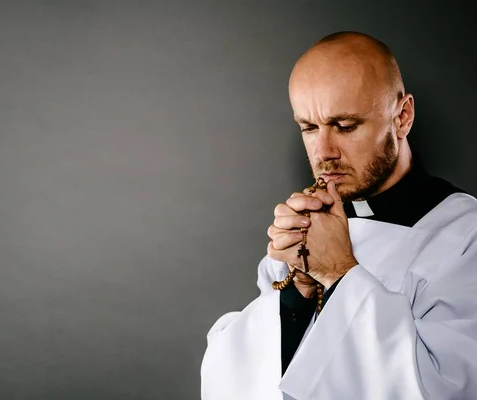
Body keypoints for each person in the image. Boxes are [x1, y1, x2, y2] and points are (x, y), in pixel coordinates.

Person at [200, 31, 477, 400]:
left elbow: (449, 388)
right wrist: (296, 291)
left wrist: (338, 273)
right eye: (309, 128)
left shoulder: (466, 235)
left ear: (402, 117)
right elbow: (246, 380)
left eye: (345, 126)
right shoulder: (307, 227)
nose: (324, 151)